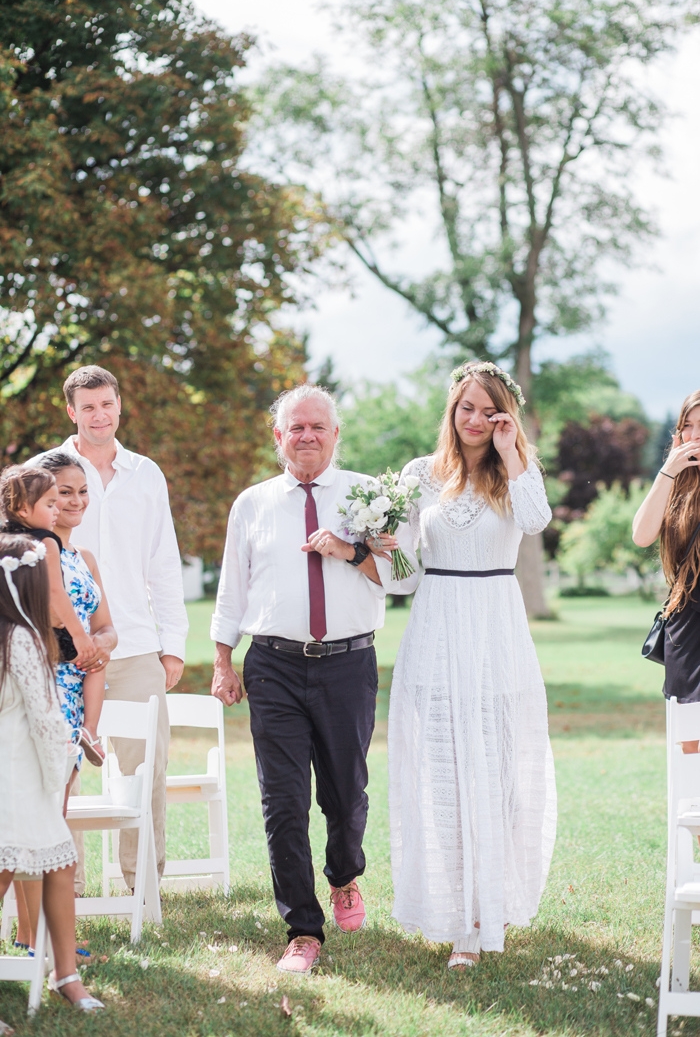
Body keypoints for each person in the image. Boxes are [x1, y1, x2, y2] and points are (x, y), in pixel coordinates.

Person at [210, 384, 417, 974]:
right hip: (272, 664)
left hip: (348, 664)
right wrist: (224, 661)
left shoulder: (368, 496)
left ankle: (345, 873)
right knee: (283, 800)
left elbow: (403, 577)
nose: (306, 436)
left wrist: (351, 554)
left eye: (317, 427)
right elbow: (232, 588)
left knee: (346, 794)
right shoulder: (252, 503)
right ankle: (303, 929)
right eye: (295, 428)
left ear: (335, 434)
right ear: (278, 437)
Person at [385, 361, 557, 969]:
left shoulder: (517, 473)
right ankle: (458, 915)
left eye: (491, 410)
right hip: (434, 628)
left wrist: (513, 451)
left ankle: (490, 906)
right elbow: (402, 578)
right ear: (451, 412)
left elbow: (537, 521)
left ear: (505, 414)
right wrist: (374, 548)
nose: (478, 420)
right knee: (443, 775)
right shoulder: (419, 476)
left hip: (495, 633)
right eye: (468, 408)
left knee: (497, 775)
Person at [37, 364, 188, 889]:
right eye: (88, 407)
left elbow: (164, 563)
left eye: (107, 404)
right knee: (60, 772)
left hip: (137, 646)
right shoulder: (43, 471)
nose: (99, 415)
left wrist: (173, 647)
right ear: (71, 411)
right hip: (57, 654)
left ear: (119, 405)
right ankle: (66, 885)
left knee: (147, 769)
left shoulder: (147, 474)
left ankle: (142, 881)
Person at [0, 534, 104, 1012]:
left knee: (59, 864)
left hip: (19, 770)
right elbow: (43, 717)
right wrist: (58, 766)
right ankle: (65, 973)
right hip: (21, 774)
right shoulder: (22, 638)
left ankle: (66, 974)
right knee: (24, 866)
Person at [0, 463, 113, 767]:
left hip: (32, 653)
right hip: (51, 661)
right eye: (55, 500)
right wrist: (79, 635)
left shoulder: (10, 544)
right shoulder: (45, 542)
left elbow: (105, 625)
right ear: (23, 508)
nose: (62, 506)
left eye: (82, 491)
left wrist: (99, 641)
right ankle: (90, 730)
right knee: (51, 768)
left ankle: (87, 731)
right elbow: (55, 594)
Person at [633, 389, 700, 749]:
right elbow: (641, 535)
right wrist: (669, 470)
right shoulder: (676, 485)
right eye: (687, 426)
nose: (694, 435)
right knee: (691, 742)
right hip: (687, 625)